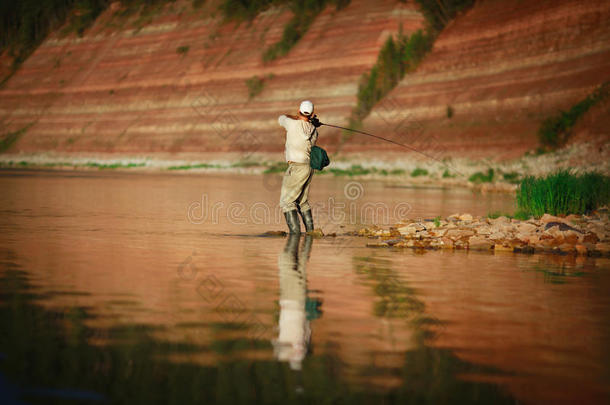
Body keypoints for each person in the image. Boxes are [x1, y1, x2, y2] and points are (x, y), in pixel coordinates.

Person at [278, 100, 321, 234]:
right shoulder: (314, 130)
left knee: (287, 202)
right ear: (312, 114)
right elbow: (311, 140)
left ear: (299, 111)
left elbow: (281, 118)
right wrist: (311, 123)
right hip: (308, 168)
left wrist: (296, 118)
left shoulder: (292, 123)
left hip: (296, 167)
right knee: (302, 201)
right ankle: (310, 233)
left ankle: (295, 235)